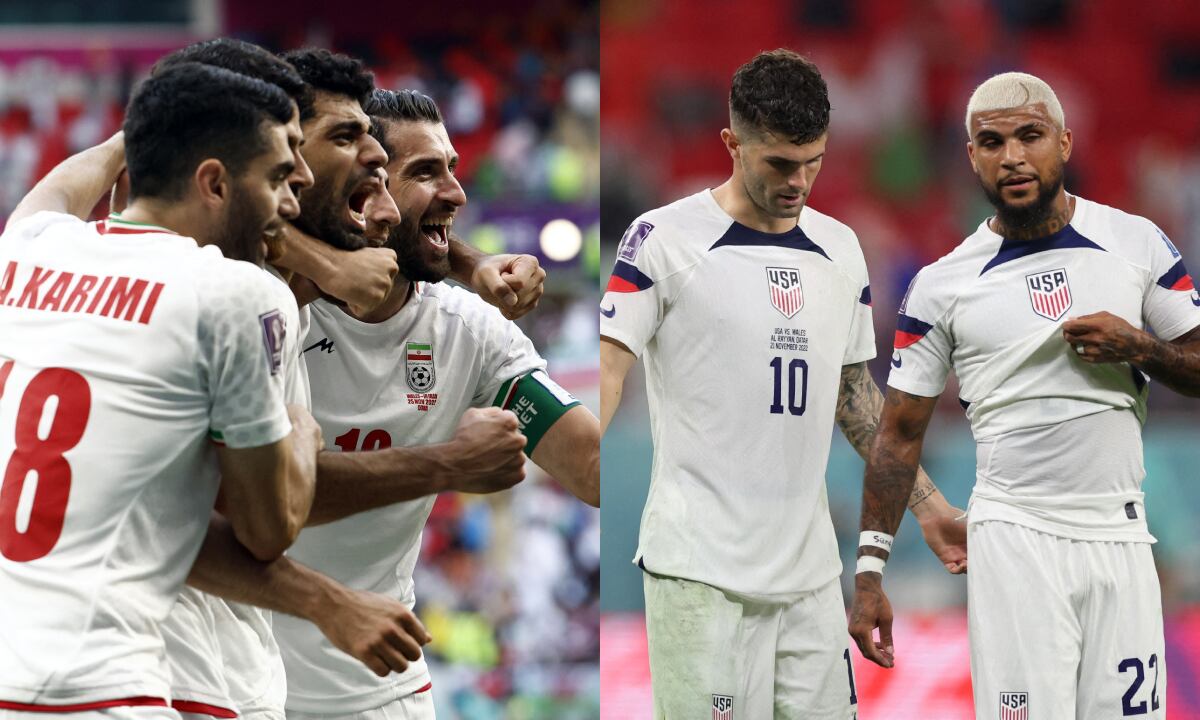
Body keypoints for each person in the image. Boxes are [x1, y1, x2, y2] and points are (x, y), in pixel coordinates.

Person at [598, 49, 964, 720]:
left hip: (810, 581)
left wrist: (930, 504)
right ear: (732, 144)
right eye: (780, 164)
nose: (800, 181)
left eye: (814, 161)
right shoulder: (662, 241)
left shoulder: (842, 250)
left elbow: (856, 403)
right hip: (700, 576)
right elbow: (608, 368)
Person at [849, 72, 1200, 720]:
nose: (1012, 156)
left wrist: (1141, 348)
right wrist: (870, 569)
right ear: (971, 156)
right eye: (992, 141)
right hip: (1015, 541)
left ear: (1064, 143)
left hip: (1120, 536)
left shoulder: (1136, 243)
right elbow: (898, 432)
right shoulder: (939, 285)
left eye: (1029, 136)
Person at [0, 63, 322, 715]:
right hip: (107, 685)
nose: (288, 203)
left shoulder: (27, 252)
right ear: (214, 181)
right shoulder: (236, 294)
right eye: (276, 179)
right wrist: (304, 436)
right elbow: (268, 528)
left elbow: (58, 190)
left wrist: (146, 130)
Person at [274, 87, 600, 720]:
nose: (457, 191)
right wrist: (449, 463)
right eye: (425, 172)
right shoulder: (272, 305)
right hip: (244, 677)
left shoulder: (468, 332)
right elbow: (275, 501)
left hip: (382, 685)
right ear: (363, 187)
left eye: (452, 167)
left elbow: (591, 468)